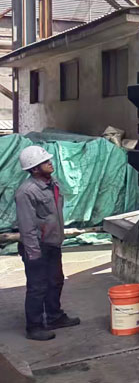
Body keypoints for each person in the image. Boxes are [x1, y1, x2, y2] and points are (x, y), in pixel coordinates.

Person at [15, 146, 80, 341]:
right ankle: (34, 327)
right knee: (37, 287)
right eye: (44, 162)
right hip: (36, 246)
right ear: (34, 169)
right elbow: (27, 226)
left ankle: (54, 317)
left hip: (52, 243)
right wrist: (34, 254)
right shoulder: (26, 192)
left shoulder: (52, 184)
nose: (50, 163)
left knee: (55, 281)